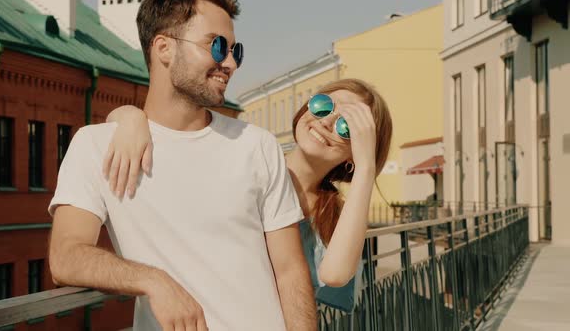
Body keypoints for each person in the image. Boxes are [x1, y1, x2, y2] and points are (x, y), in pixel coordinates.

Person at [47, 0, 317, 330]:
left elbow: (290, 271)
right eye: (217, 46)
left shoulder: (258, 145)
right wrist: (153, 280)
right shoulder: (96, 146)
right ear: (164, 48)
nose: (230, 63)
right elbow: (65, 256)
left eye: (236, 51)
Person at [105, 78, 393, 312]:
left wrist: (367, 167)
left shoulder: (335, 214)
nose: (327, 122)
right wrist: (131, 118)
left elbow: (335, 276)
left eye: (346, 127)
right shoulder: (248, 156)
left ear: (354, 154)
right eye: (322, 106)